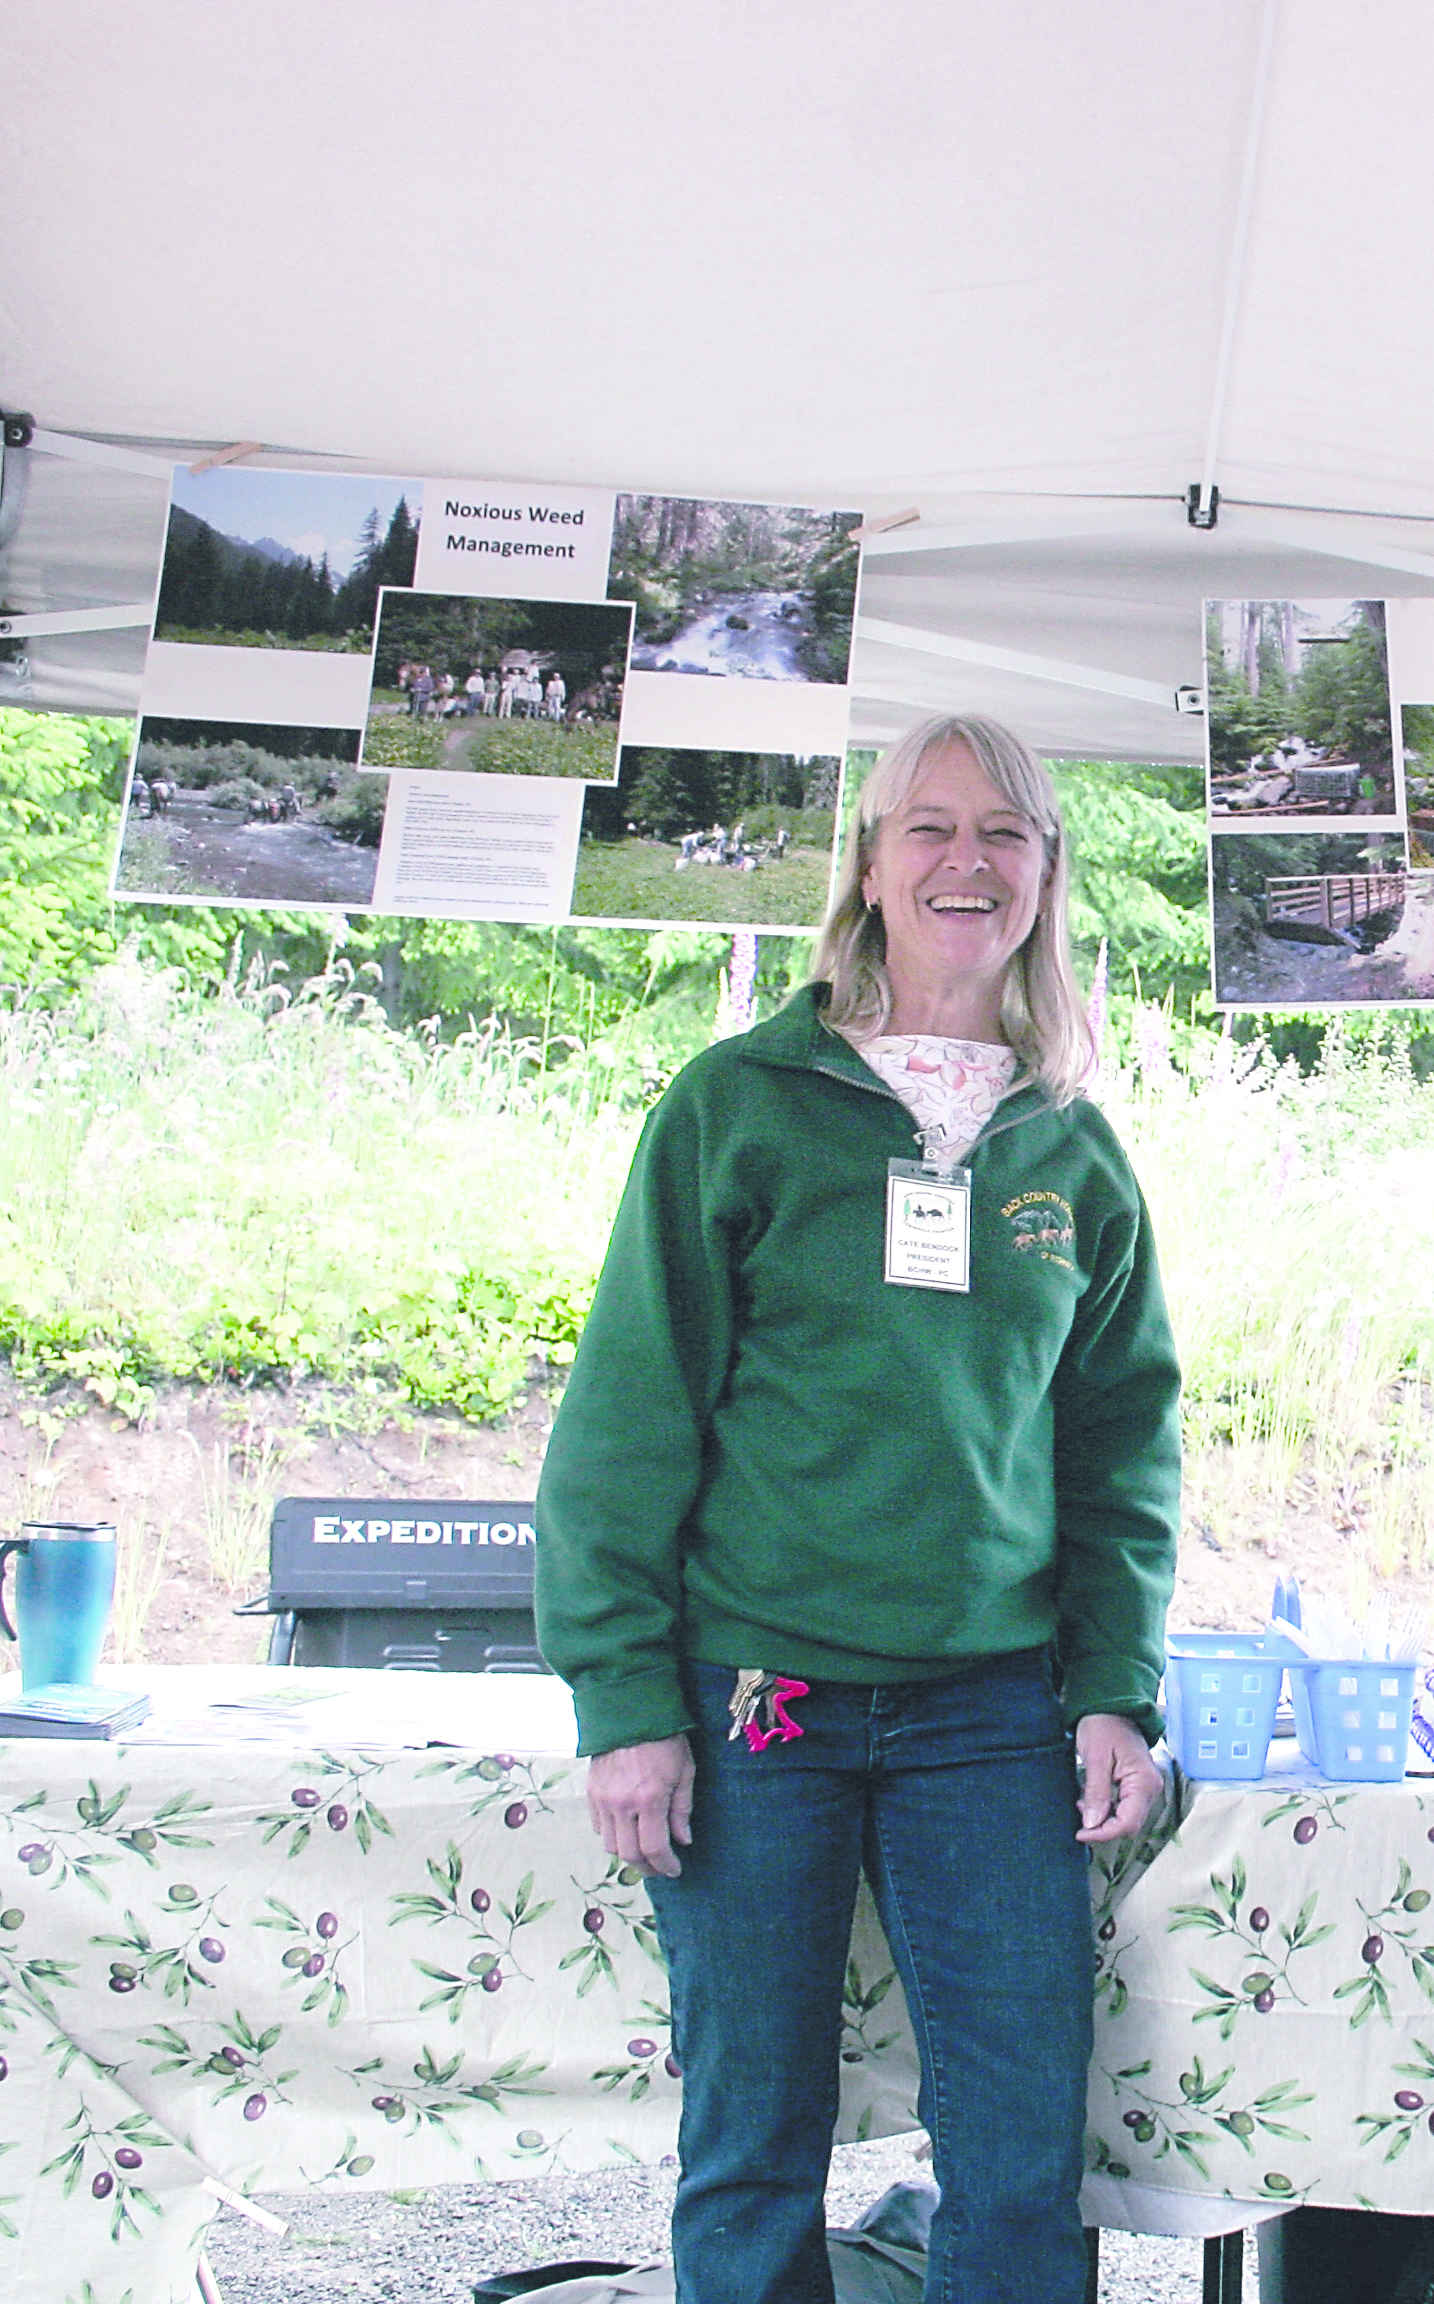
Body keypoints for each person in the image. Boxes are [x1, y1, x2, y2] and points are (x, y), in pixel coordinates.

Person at [537, 709, 1179, 2304]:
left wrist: (1114, 1689)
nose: (968, 861)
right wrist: (624, 1697)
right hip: (758, 1697)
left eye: (1006, 833)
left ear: (1045, 874)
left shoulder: (1072, 1147)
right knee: (753, 2141)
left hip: (990, 1716)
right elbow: (628, 1415)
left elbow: (1119, 1447)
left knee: (1023, 2150)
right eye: (931, 828)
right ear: (874, 865)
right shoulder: (739, 1103)